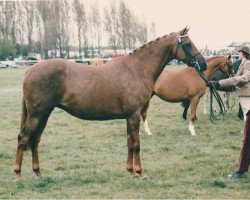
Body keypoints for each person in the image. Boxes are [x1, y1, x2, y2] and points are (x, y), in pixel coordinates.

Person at [211, 45, 250, 179]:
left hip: (247, 96)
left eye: (239, 52)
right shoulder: (243, 63)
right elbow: (235, 77)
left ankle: (241, 170)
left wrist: (219, 83)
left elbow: (244, 78)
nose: (237, 54)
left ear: (243, 53)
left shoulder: (248, 63)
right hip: (244, 95)